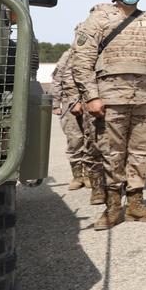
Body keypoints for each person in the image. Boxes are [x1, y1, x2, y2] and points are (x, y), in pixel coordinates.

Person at [72, 0, 146, 230]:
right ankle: (112, 208)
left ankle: (136, 205)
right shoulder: (98, 20)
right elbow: (82, 61)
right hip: (110, 98)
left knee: (141, 152)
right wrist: (91, 97)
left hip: (145, 97)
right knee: (111, 153)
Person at [51, 48, 95, 190]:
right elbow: (57, 78)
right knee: (75, 140)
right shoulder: (69, 54)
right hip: (70, 103)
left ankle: (89, 174)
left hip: (91, 101)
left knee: (91, 140)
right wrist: (56, 103)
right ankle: (77, 176)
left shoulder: (97, 52)